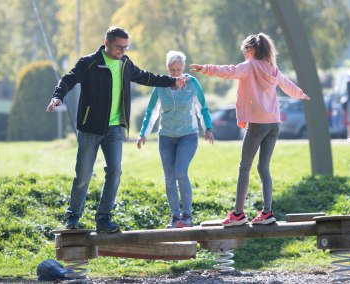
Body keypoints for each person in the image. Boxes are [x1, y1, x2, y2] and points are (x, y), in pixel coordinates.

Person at [46, 26, 188, 233]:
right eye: (119, 47)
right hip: (90, 128)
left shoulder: (125, 64)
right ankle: (73, 218)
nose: (122, 50)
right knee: (83, 175)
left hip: (114, 129)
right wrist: (58, 96)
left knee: (115, 172)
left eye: (125, 47)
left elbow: (146, 77)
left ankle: (103, 218)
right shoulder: (89, 63)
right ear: (107, 43)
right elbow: (68, 79)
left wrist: (172, 81)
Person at [190, 33, 310, 226]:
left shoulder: (250, 66)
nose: (244, 54)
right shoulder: (272, 69)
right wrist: (301, 94)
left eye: (245, 50)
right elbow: (287, 85)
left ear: (251, 50)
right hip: (274, 124)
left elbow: (229, 71)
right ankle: (267, 212)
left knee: (244, 166)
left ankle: (238, 214)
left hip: (257, 123)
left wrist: (206, 69)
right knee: (264, 167)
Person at [137, 50, 214, 229]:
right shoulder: (161, 85)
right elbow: (152, 112)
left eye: (178, 70)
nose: (175, 74)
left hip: (188, 135)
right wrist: (143, 134)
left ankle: (187, 216)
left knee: (181, 172)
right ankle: (175, 217)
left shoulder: (192, 84)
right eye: (172, 70)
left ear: (183, 68)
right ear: (167, 68)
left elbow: (202, 108)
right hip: (166, 138)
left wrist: (207, 128)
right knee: (169, 178)